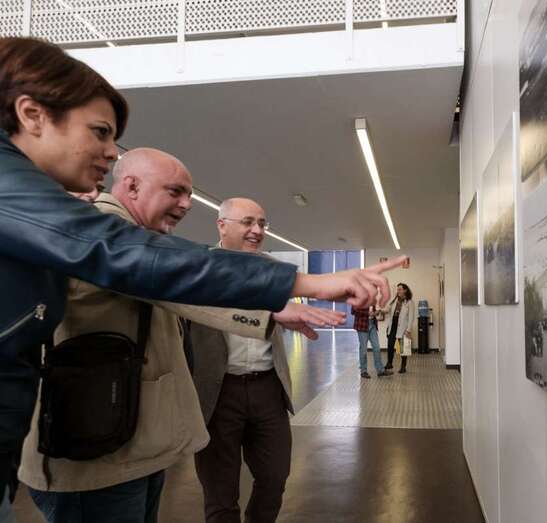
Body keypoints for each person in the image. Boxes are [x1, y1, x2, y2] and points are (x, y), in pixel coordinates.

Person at [0, 36, 403, 514]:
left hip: (110, 442)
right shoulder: (52, 209)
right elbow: (143, 262)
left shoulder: (46, 208)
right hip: (90, 447)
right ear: (31, 115)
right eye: (101, 132)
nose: (111, 153)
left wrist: (280, 307)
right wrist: (306, 284)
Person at [18, 151, 347, 522]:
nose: (187, 204)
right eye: (176, 191)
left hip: (128, 444)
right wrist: (285, 296)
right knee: (220, 494)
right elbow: (173, 279)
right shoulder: (101, 226)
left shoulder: (137, 240)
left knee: (272, 478)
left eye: (189, 195)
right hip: (91, 448)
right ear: (132, 186)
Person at [188, 197, 344, 523]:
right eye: (247, 222)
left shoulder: (274, 271)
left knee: (275, 477)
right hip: (217, 393)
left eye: (262, 224)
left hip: (267, 388)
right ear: (222, 225)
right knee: (220, 491)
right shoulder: (199, 268)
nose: (257, 230)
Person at [381, 283, 414, 374]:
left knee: (402, 347)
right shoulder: (394, 300)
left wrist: (408, 330)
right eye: (397, 289)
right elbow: (387, 309)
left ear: (405, 290)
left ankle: (403, 367)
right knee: (390, 345)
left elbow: (411, 317)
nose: (398, 291)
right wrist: (380, 310)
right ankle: (389, 363)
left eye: (400, 289)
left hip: (403, 327)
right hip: (393, 325)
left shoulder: (409, 302)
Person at [352, 305, 391, 379]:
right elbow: (353, 310)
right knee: (363, 349)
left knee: (377, 348)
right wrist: (368, 313)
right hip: (362, 325)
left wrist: (376, 312)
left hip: (372, 324)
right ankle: (363, 371)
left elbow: (372, 310)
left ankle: (380, 370)